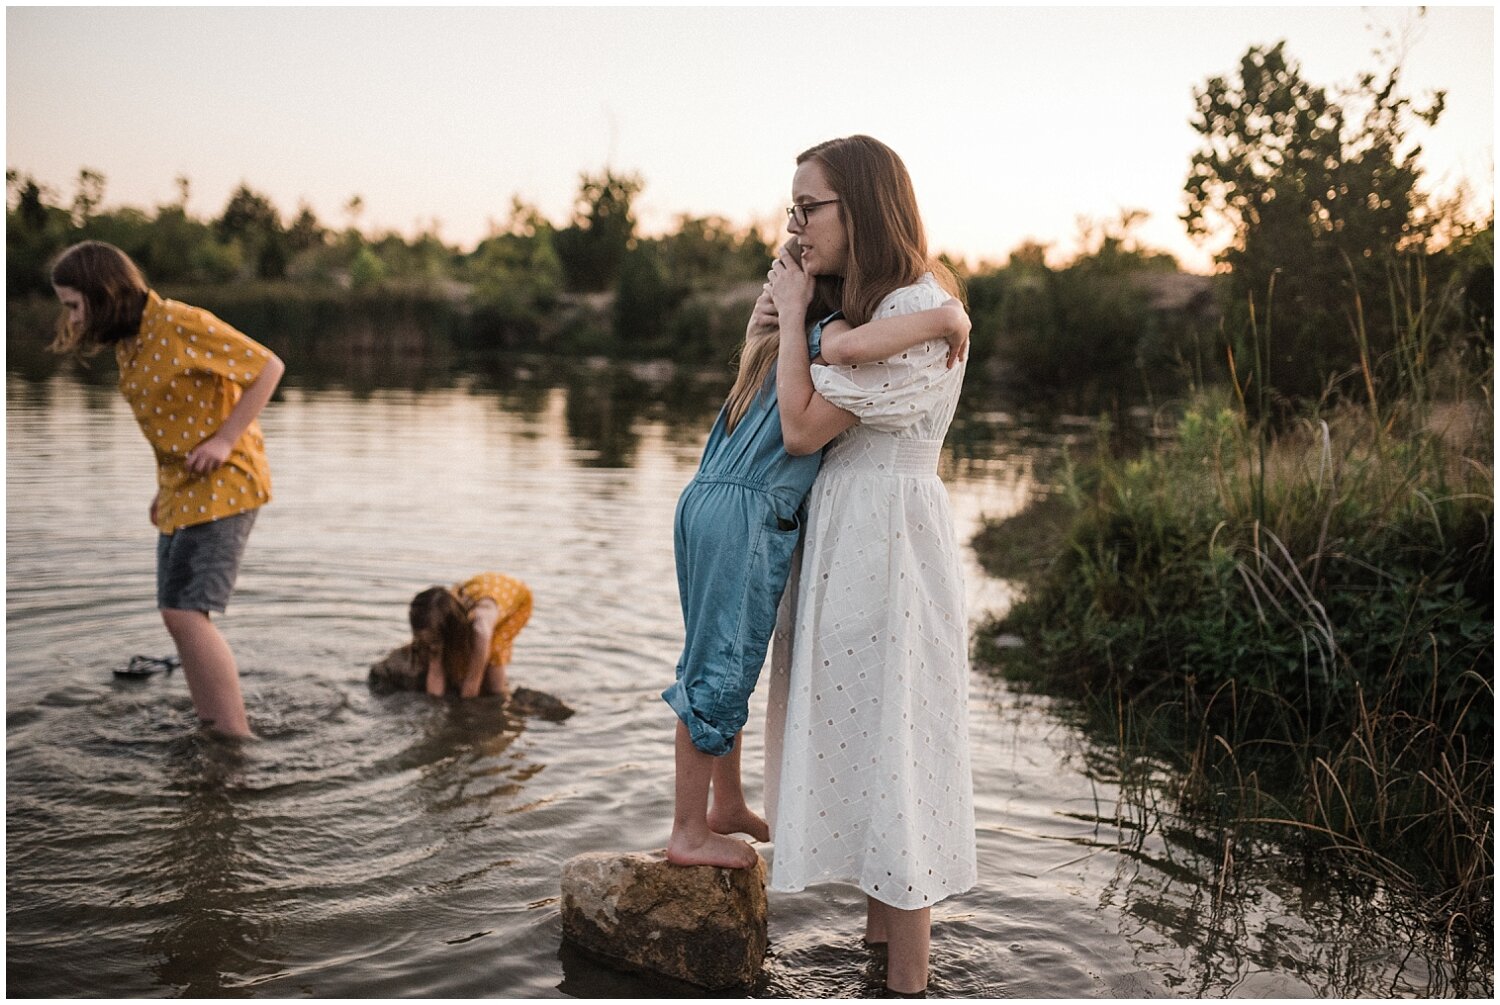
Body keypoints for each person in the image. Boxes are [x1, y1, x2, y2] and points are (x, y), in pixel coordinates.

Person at [662, 240, 970, 871]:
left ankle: (726, 807)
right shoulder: (822, 331)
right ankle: (689, 831)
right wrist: (947, 317)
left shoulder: (768, 338)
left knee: (725, 654)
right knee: (717, 672)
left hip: (706, 500)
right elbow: (849, 349)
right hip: (748, 513)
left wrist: (787, 294)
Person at [764, 135, 977, 995]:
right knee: (872, 747)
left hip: (890, 551)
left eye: (806, 207)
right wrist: (813, 317)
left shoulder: (920, 311)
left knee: (899, 756)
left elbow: (801, 427)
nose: (794, 225)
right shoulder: (886, 307)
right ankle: (877, 965)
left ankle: (908, 985)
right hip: (853, 543)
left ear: (861, 205)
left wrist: (796, 328)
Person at [49, 240, 284, 739]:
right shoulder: (130, 341)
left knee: (185, 611)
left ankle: (234, 738)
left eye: (73, 304)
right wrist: (166, 489)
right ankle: (213, 725)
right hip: (184, 488)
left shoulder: (178, 322)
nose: (69, 318)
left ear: (103, 293)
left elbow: (268, 367)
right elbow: (173, 420)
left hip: (227, 481)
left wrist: (224, 439)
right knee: (177, 612)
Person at [407, 573, 532, 698]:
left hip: (516, 597)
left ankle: (503, 698)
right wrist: (433, 705)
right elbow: (435, 671)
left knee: (494, 653)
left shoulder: (480, 629)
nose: (432, 644)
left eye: (435, 640)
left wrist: (466, 710)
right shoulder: (441, 611)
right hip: (478, 587)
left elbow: (472, 682)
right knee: (452, 654)